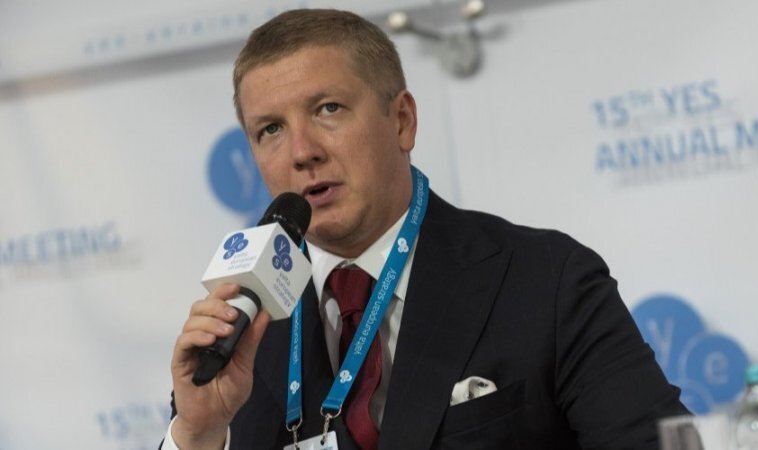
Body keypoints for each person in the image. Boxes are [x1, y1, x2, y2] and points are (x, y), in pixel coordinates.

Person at [163, 8, 688, 450]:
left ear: (402, 121)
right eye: (271, 129)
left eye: (328, 109)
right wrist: (197, 434)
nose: (302, 152)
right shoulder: (241, 334)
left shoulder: (545, 281)